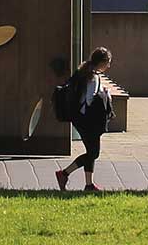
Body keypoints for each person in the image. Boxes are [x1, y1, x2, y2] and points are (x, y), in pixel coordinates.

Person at [54, 47, 114, 191]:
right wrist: (106, 94)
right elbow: (89, 100)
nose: (109, 66)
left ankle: (89, 184)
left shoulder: (83, 72)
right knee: (94, 153)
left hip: (79, 119)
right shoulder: (93, 77)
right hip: (88, 120)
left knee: (90, 151)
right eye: (108, 62)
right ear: (102, 62)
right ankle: (64, 173)